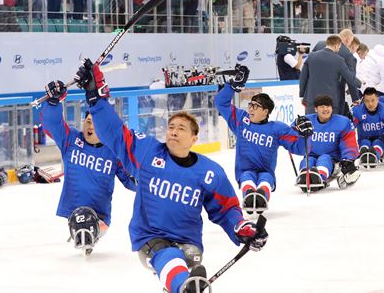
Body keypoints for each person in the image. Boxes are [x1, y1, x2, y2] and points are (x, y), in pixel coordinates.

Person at [74, 60, 268, 293]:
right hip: (150, 238)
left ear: (194, 139)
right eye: (171, 126)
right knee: (171, 258)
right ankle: (182, 286)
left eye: (182, 129)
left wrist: (242, 228)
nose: (174, 131)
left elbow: (226, 208)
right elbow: (115, 132)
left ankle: (181, 285)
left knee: (185, 259)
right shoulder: (147, 153)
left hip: (189, 243)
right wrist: (96, 98)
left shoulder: (210, 172)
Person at [40, 80, 137, 255]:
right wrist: (53, 102)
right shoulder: (70, 140)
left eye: (94, 122)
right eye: (87, 120)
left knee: (93, 226)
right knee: (80, 223)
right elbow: (51, 124)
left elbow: (129, 180)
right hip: (73, 212)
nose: (89, 125)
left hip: (101, 217)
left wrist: (145, 180)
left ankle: (92, 234)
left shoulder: (114, 152)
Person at [216, 64, 312, 212]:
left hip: (266, 172)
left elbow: (300, 149)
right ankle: (249, 195)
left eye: (256, 106)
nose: (251, 108)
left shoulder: (277, 129)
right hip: (244, 170)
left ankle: (261, 196)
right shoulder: (241, 120)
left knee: (265, 179)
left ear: (266, 111)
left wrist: (305, 135)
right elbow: (221, 103)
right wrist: (233, 86)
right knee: (247, 177)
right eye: (251, 105)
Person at [294, 95, 360, 191]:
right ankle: (305, 176)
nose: (325, 109)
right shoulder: (307, 120)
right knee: (307, 161)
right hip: (311, 155)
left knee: (324, 159)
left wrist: (348, 159)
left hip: (332, 159)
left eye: (328, 106)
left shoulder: (342, 122)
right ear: (316, 109)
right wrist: (296, 126)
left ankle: (319, 177)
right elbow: (290, 131)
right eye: (322, 107)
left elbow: (349, 142)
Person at [300, 35, 361, 115]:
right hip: (330, 102)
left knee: (312, 124)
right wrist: (360, 83)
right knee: (331, 125)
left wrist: (302, 95)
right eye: (339, 47)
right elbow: (350, 78)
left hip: (312, 99)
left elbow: (303, 77)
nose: (339, 49)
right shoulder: (339, 60)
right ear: (336, 46)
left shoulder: (311, 56)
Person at [352, 87, 384, 168]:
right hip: (364, 138)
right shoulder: (357, 111)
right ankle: (363, 154)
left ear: (378, 99)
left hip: (382, 139)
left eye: (373, 100)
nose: (370, 104)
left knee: (378, 143)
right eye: (367, 101)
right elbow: (350, 126)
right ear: (363, 100)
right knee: (364, 143)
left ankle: (374, 156)